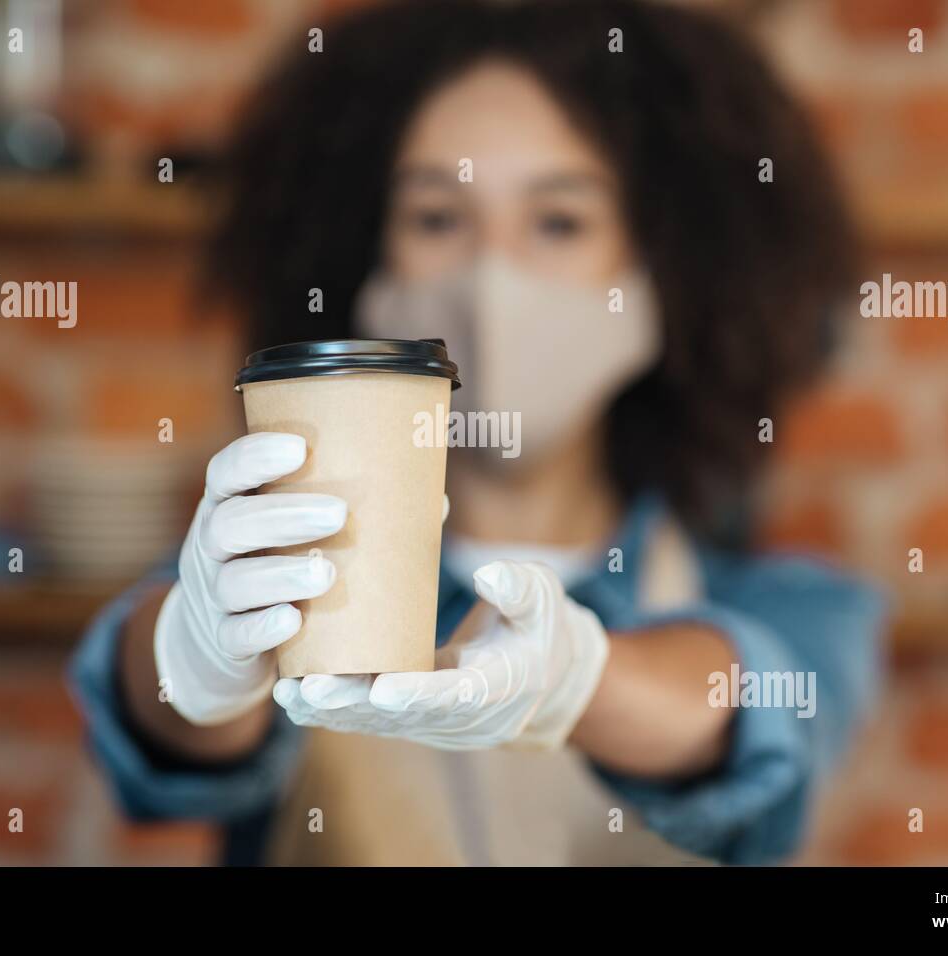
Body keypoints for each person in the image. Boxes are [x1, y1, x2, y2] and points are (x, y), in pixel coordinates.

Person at [70, 0, 886, 866]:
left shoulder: (796, 611)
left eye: (559, 222)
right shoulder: (276, 580)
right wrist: (190, 661)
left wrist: (578, 678)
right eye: (435, 218)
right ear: (367, 266)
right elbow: (163, 728)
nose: (491, 276)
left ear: (661, 276)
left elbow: (742, 708)